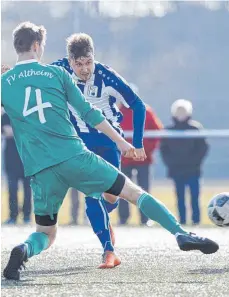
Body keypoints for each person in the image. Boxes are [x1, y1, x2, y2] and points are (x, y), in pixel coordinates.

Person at [2, 22, 218, 281]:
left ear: (17, 46)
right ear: (37, 46)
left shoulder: (5, 81)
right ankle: (181, 233)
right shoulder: (56, 74)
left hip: (40, 171)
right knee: (133, 192)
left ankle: (24, 249)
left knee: (46, 233)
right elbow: (89, 113)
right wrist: (123, 142)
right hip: (75, 157)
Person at [51, 33, 146, 252]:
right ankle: (107, 248)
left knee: (112, 197)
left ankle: (101, 214)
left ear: (94, 57)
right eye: (79, 64)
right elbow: (35, 77)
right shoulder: (58, 70)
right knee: (93, 194)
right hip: (80, 142)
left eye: (89, 62)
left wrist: (137, 143)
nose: (85, 69)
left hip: (109, 140)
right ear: (69, 61)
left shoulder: (108, 76)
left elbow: (138, 105)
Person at [160, 99, 209, 225]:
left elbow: (203, 148)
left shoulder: (195, 128)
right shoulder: (168, 130)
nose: (181, 114)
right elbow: (164, 150)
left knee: (194, 196)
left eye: (183, 111)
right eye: (178, 111)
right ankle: (182, 221)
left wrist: (194, 162)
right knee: (180, 197)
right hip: (177, 170)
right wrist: (173, 163)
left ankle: (196, 221)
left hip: (193, 169)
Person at [119, 99, 163, 225]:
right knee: (122, 189)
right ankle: (123, 218)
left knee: (144, 189)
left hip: (143, 159)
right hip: (124, 159)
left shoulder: (146, 111)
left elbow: (156, 132)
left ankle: (145, 218)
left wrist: (145, 150)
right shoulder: (116, 111)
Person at [1, 65, 32, 225]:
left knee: (28, 187)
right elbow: (7, 132)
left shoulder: (26, 111)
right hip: (11, 155)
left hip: (25, 154)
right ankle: (13, 216)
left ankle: (27, 216)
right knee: (12, 187)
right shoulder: (5, 114)